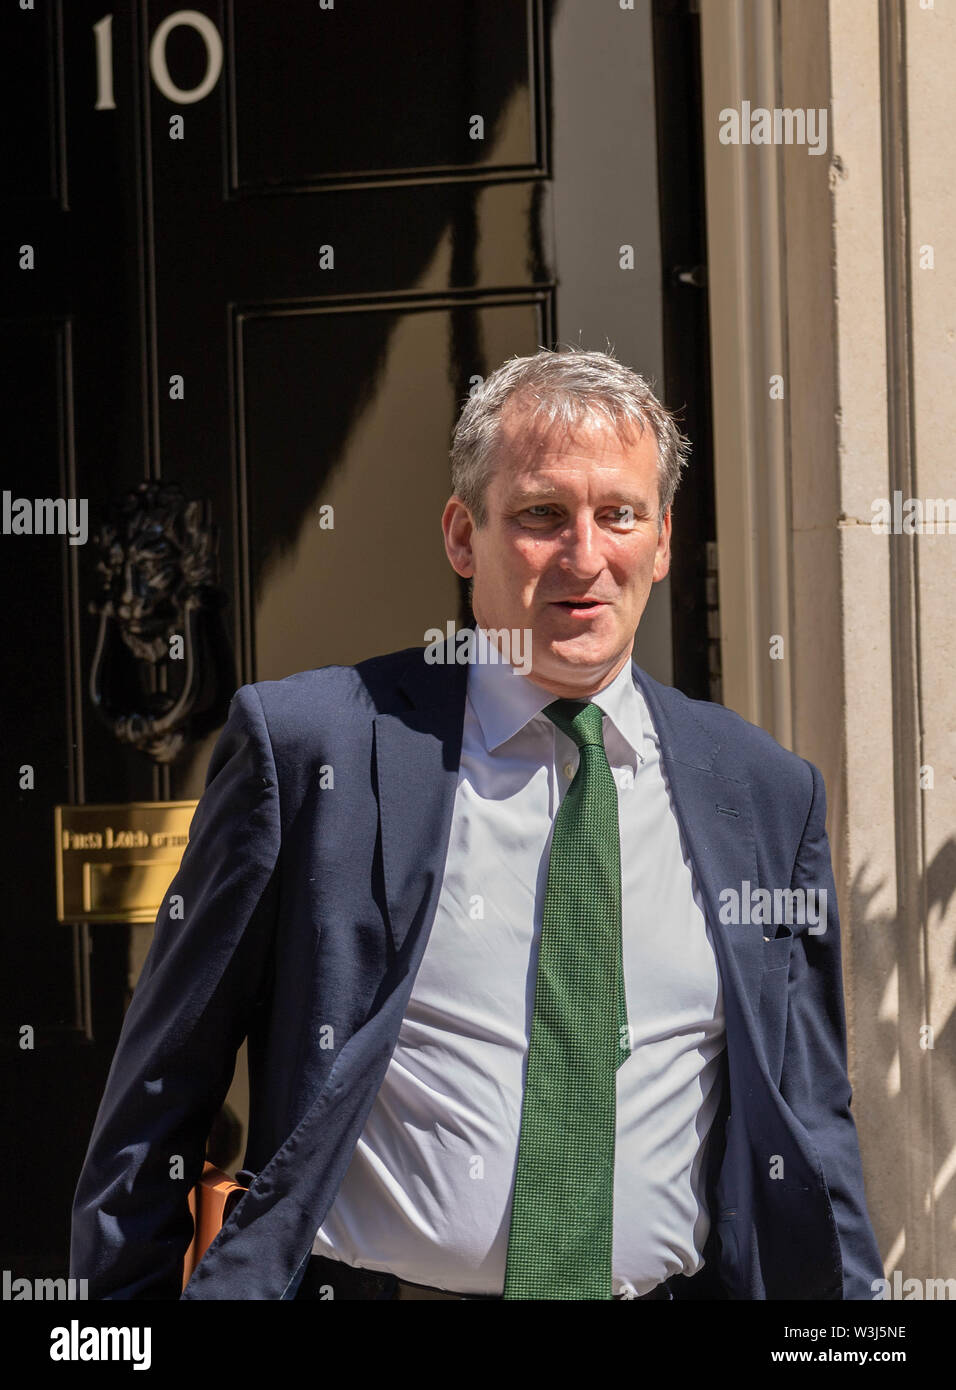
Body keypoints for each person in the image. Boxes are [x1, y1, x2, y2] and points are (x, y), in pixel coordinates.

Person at [70, 346, 883, 1300]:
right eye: (542, 514)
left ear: (662, 540)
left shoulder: (765, 793)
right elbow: (160, 1097)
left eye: (618, 515)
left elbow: (812, 1117)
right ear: (463, 534)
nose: (585, 556)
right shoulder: (310, 748)